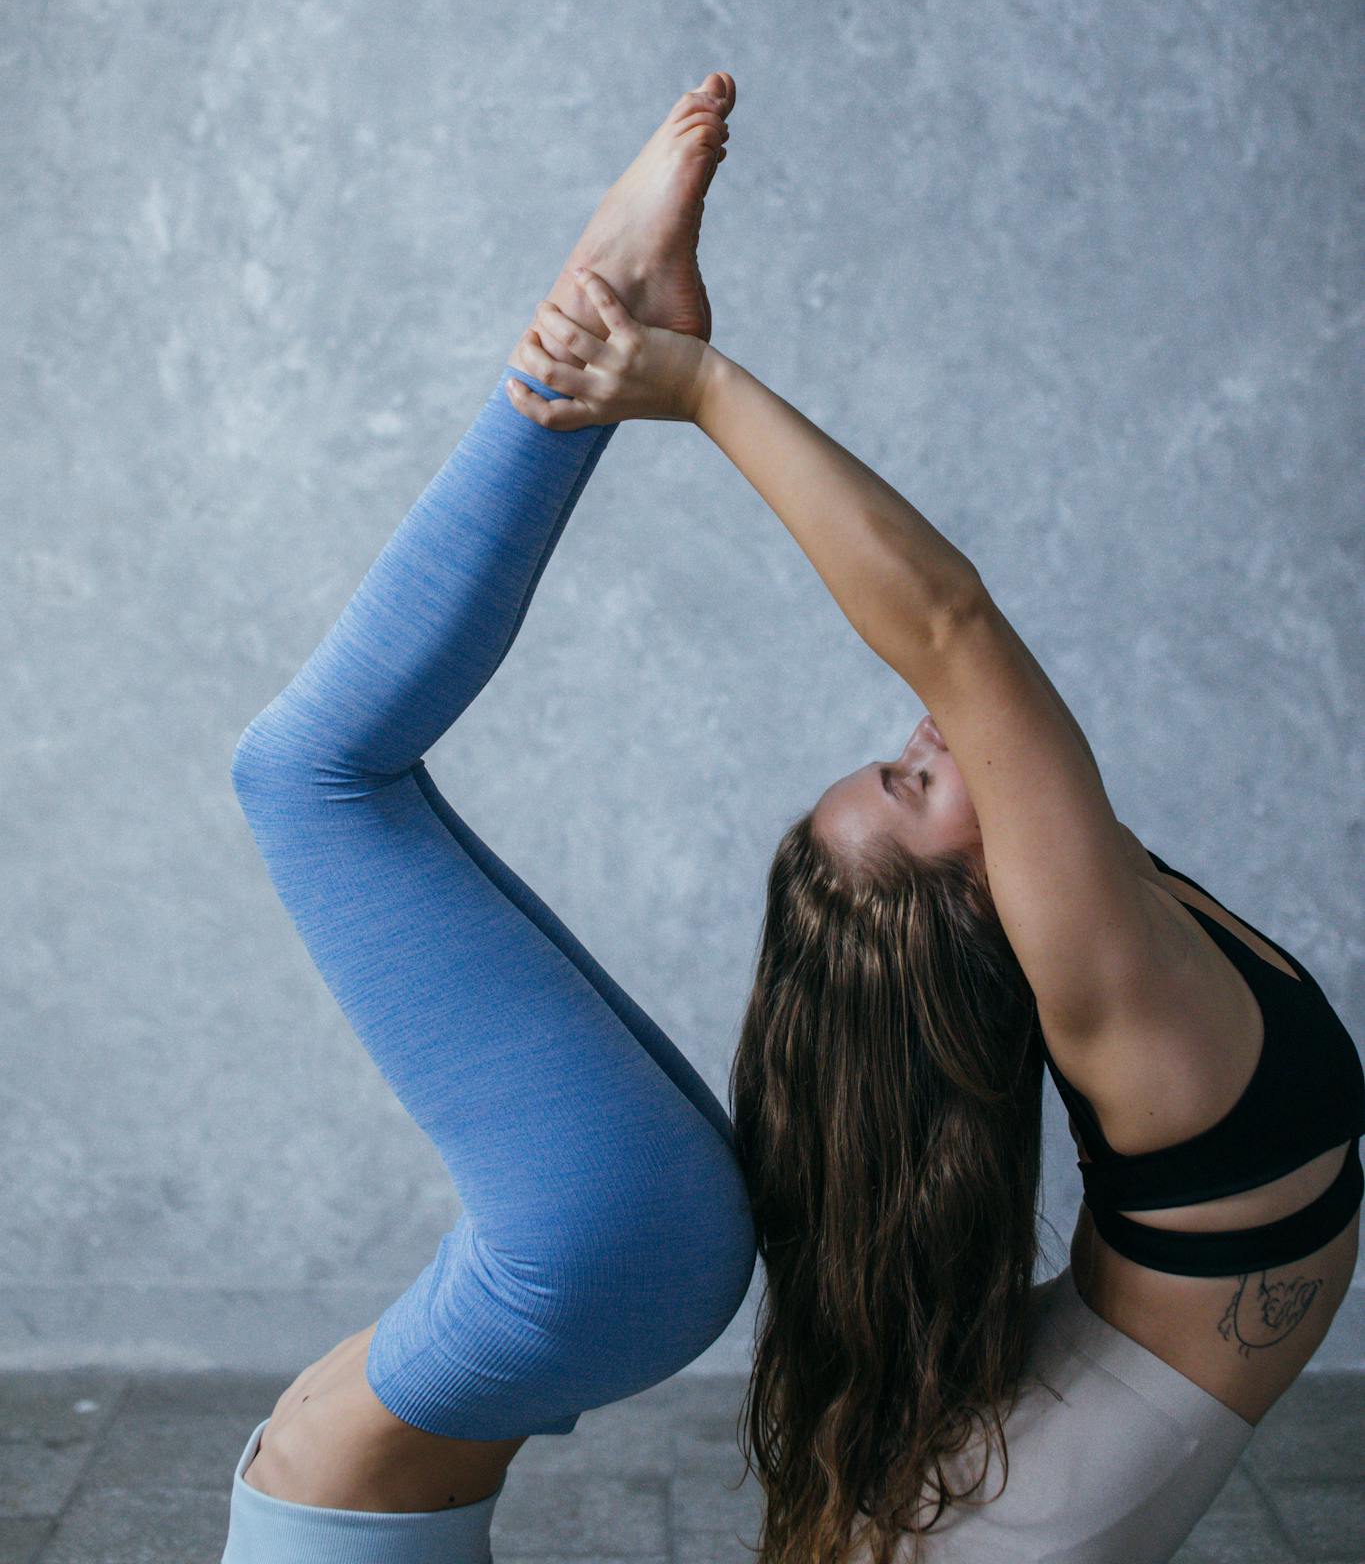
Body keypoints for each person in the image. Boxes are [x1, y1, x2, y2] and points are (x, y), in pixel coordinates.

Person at [498, 96, 1364, 1564]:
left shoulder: (1091, 930)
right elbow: (949, 628)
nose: (915, 739)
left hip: (1079, 1406)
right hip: (1043, 1509)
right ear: (977, 903)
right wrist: (694, 385)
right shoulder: (1097, 982)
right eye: (906, 788)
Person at [221, 77, 753, 1563]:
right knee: (312, 774)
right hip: (582, 1268)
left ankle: (597, 329)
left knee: (332, 776)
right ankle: (590, 334)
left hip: (591, 1271)